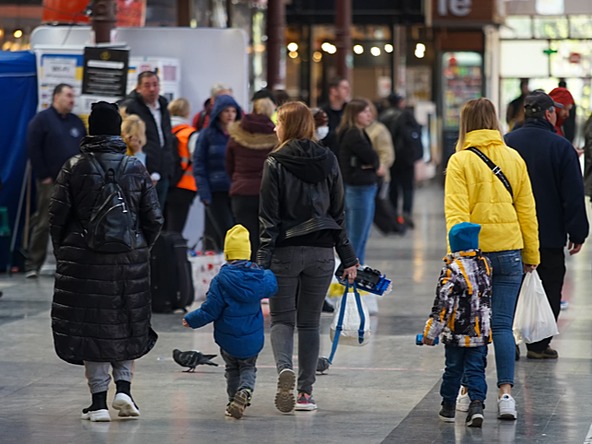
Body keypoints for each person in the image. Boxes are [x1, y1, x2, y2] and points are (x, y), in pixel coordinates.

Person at [48, 101, 163, 422]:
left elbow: (56, 217)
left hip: (83, 260)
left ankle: (98, 403)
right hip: (130, 261)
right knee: (127, 323)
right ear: (117, 131)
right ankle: (124, 390)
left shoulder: (74, 167)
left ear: (90, 130)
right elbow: (154, 218)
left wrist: (65, 252)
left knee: (92, 328)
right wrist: (140, 248)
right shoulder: (135, 167)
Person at [257, 101, 358, 413]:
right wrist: (348, 256)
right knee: (310, 323)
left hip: (285, 251)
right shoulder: (328, 159)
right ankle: (305, 394)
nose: (274, 127)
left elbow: (268, 219)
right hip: (321, 253)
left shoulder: (275, 162)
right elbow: (339, 212)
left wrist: (261, 264)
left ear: (287, 125)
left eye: (278, 122)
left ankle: (284, 369)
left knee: (282, 320)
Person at [445, 97, 539, 421]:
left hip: (476, 256)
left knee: (474, 326)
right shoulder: (514, 158)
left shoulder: (460, 161)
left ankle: (470, 394)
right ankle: (507, 396)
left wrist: (459, 258)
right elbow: (527, 211)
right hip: (510, 251)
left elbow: (456, 214)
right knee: (501, 326)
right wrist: (532, 254)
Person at [504, 91, 589, 359]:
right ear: (549, 114)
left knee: (510, 285)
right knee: (550, 286)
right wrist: (578, 232)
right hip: (549, 234)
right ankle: (539, 345)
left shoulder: (506, 144)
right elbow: (572, 194)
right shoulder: (560, 146)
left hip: (511, 232)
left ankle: (510, 344)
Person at [182, 224, 277, 419]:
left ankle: (233, 399)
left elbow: (210, 310)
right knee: (249, 367)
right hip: (252, 338)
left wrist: (191, 320)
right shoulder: (259, 277)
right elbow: (272, 282)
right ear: (248, 253)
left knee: (232, 369)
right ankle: (246, 391)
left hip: (228, 339)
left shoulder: (220, 280)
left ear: (227, 254)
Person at [422, 222, 492, 427]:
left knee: (453, 369)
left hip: (457, 334)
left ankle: (448, 406)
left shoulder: (452, 270)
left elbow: (443, 305)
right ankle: (477, 405)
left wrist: (430, 332)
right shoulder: (485, 264)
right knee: (476, 369)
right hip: (481, 333)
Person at [25, 83, 86, 278]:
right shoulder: (41, 120)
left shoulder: (76, 122)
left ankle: (69, 264)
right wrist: (43, 175)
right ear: (56, 97)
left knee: (73, 223)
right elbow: (34, 149)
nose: (72, 100)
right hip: (50, 181)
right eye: (68, 96)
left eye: (73, 96)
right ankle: (33, 264)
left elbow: (85, 150)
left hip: (74, 182)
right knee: (45, 221)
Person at [226, 97, 277, 260]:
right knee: (265, 239)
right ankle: (262, 274)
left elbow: (228, 164)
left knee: (244, 238)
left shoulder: (237, 133)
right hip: (265, 192)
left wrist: (236, 179)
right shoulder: (275, 135)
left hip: (241, 192)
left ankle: (245, 274)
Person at [193, 94, 242, 251]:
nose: (230, 114)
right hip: (216, 191)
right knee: (225, 232)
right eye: (226, 110)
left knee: (238, 233)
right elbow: (199, 164)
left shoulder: (241, 134)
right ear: (218, 112)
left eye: (233, 111)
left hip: (237, 191)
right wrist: (204, 192)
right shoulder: (207, 135)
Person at [122, 70, 175, 209]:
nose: (152, 89)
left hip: (162, 170)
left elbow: (166, 137)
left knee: (157, 216)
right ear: (138, 88)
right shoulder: (130, 107)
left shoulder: (163, 106)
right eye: (147, 85)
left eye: (155, 84)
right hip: (141, 170)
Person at [336, 98, 379, 265]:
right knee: (357, 236)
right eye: (365, 112)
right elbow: (372, 158)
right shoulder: (353, 134)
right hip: (359, 189)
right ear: (355, 114)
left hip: (360, 187)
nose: (369, 115)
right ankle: (353, 273)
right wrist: (373, 164)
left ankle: (355, 270)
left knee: (359, 235)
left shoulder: (358, 132)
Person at [379, 93, 423, 229]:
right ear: (401, 102)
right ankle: (406, 214)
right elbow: (417, 133)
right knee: (408, 188)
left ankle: (393, 215)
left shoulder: (383, 116)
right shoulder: (407, 115)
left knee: (393, 187)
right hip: (406, 158)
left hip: (391, 158)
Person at [166, 98, 198, 233]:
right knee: (176, 229)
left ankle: (160, 253)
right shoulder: (190, 133)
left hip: (164, 183)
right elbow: (196, 158)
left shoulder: (163, 131)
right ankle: (174, 253)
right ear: (187, 113)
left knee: (161, 227)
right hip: (185, 185)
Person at [321, 77, 350, 155]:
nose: (348, 91)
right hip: (328, 154)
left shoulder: (349, 111)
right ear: (333, 90)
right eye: (344, 88)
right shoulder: (322, 112)